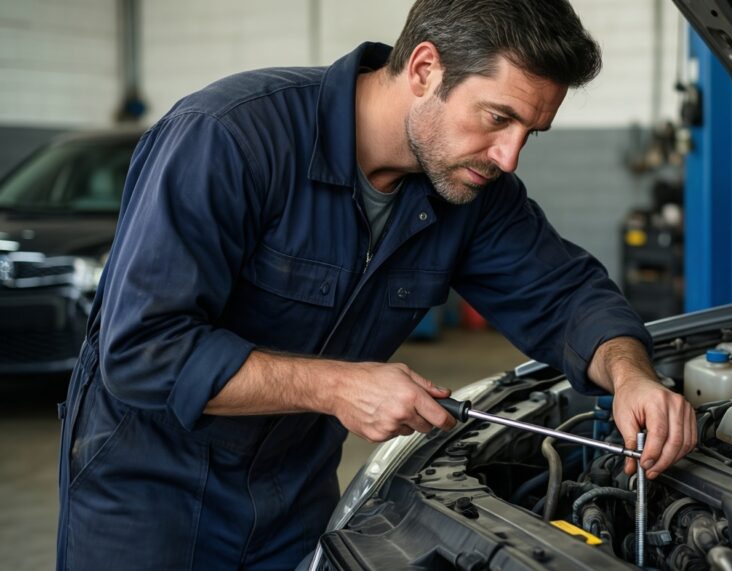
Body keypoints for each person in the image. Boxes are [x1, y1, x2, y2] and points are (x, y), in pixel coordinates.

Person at [56, 0, 696, 568]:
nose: (509, 156)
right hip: (146, 495)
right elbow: (143, 351)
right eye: (497, 118)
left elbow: (567, 295)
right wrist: (339, 385)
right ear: (424, 69)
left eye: (530, 132)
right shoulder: (229, 138)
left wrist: (629, 373)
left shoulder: (473, 192)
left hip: (291, 493)